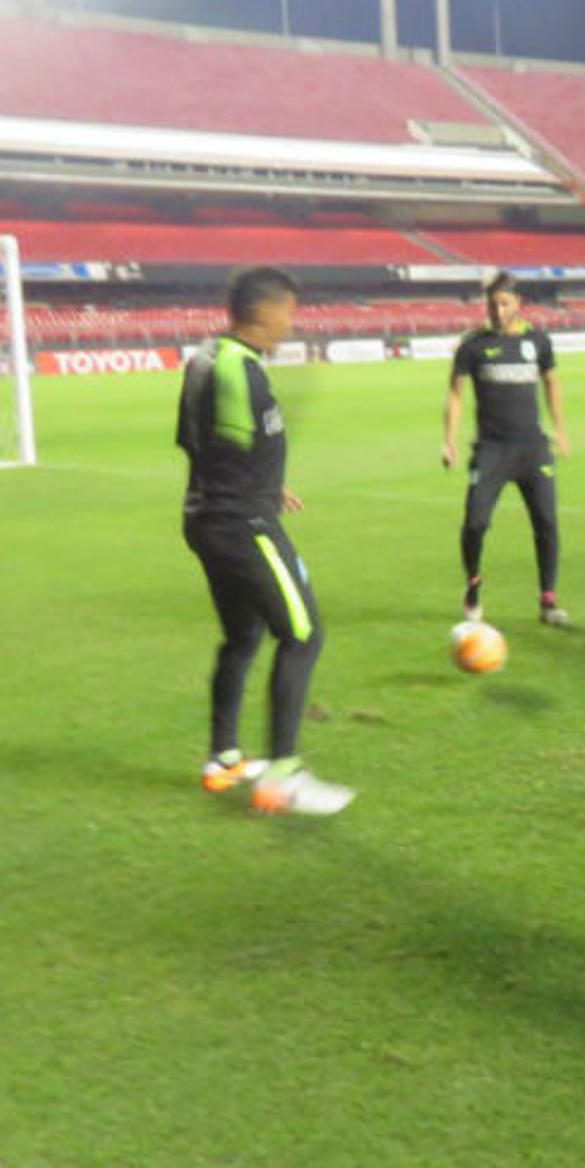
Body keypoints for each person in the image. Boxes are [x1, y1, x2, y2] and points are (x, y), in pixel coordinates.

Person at [176, 266, 353, 816]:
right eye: (288, 314)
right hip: (242, 525)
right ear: (266, 311)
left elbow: (197, 443)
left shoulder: (207, 357)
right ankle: (285, 772)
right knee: (303, 635)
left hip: (211, 516)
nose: (290, 326)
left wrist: (268, 483)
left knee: (242, 639)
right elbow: (229, 443)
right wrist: (254, 492)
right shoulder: (239, 372)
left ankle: (223, 757)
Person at [442, 273, 570, 626]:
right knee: (475, 523)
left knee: (546, 522)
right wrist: (449, 440)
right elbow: (455, 393)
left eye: (504, 304)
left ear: (518, 304)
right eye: (492, 304)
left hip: (533, 449)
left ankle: (548, 600)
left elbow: (551, 384)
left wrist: (560, 431)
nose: (498, 311)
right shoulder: (473, 345)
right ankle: (473, 583)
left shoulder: (538, 342)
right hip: (491, 450)